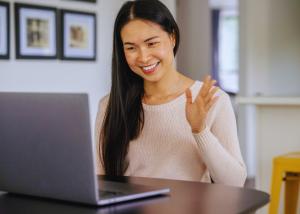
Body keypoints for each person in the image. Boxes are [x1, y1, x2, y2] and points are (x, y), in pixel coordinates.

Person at [95, 0, 247, 187]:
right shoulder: (110, 105)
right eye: (131, 47)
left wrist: (200, 130)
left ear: (172, 37)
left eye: (151, 43)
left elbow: (235, 183)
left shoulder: (212, 100)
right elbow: (99, 179)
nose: (143, 57)